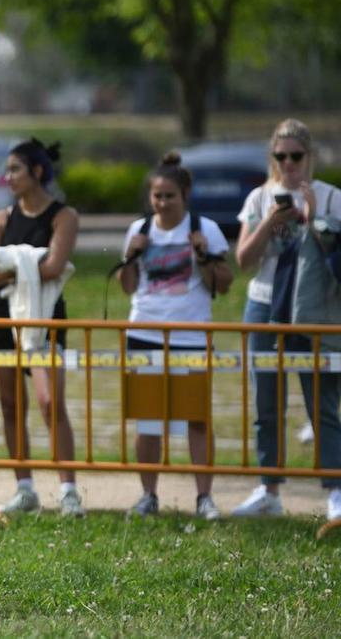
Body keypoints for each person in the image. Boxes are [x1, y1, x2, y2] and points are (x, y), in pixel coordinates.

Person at [232, 118, 341, 520]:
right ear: (272, 158)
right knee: (266, 399)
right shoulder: (260, 197)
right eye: (281, 156)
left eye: (296, 156)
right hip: (263, 303)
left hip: (312, 308)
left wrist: (312, 218)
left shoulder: (330, 197)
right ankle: (269, 488)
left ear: (309, 157)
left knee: (322, 400)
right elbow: (243, 260)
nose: (289, 164)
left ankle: (335, 490)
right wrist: (268, 224)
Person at [118, 152, 233, 520]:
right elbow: (128, 287)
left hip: (191, 335)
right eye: (157, 196)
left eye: (170, 196)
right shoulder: (139, 230)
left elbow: (225, 285)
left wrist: (203, 255)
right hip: (145, 332)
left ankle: (204, 497)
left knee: (196, 418)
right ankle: (148, 495)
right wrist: (131, 257)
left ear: (185, 195)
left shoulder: (206, 228)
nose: (163, 203)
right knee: (148, 418)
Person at [0, 137, 85, 517]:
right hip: (2, 317)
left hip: (45, 317)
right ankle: (25, 487)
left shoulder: (62, 215)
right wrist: (24, 265)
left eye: (15, 169)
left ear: (37, 171)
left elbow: (55, 266)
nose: (8, 177)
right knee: (10, 404)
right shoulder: (1, 218)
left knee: (49, 401)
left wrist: (10, 265)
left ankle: (68, 490)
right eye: (7, 170)